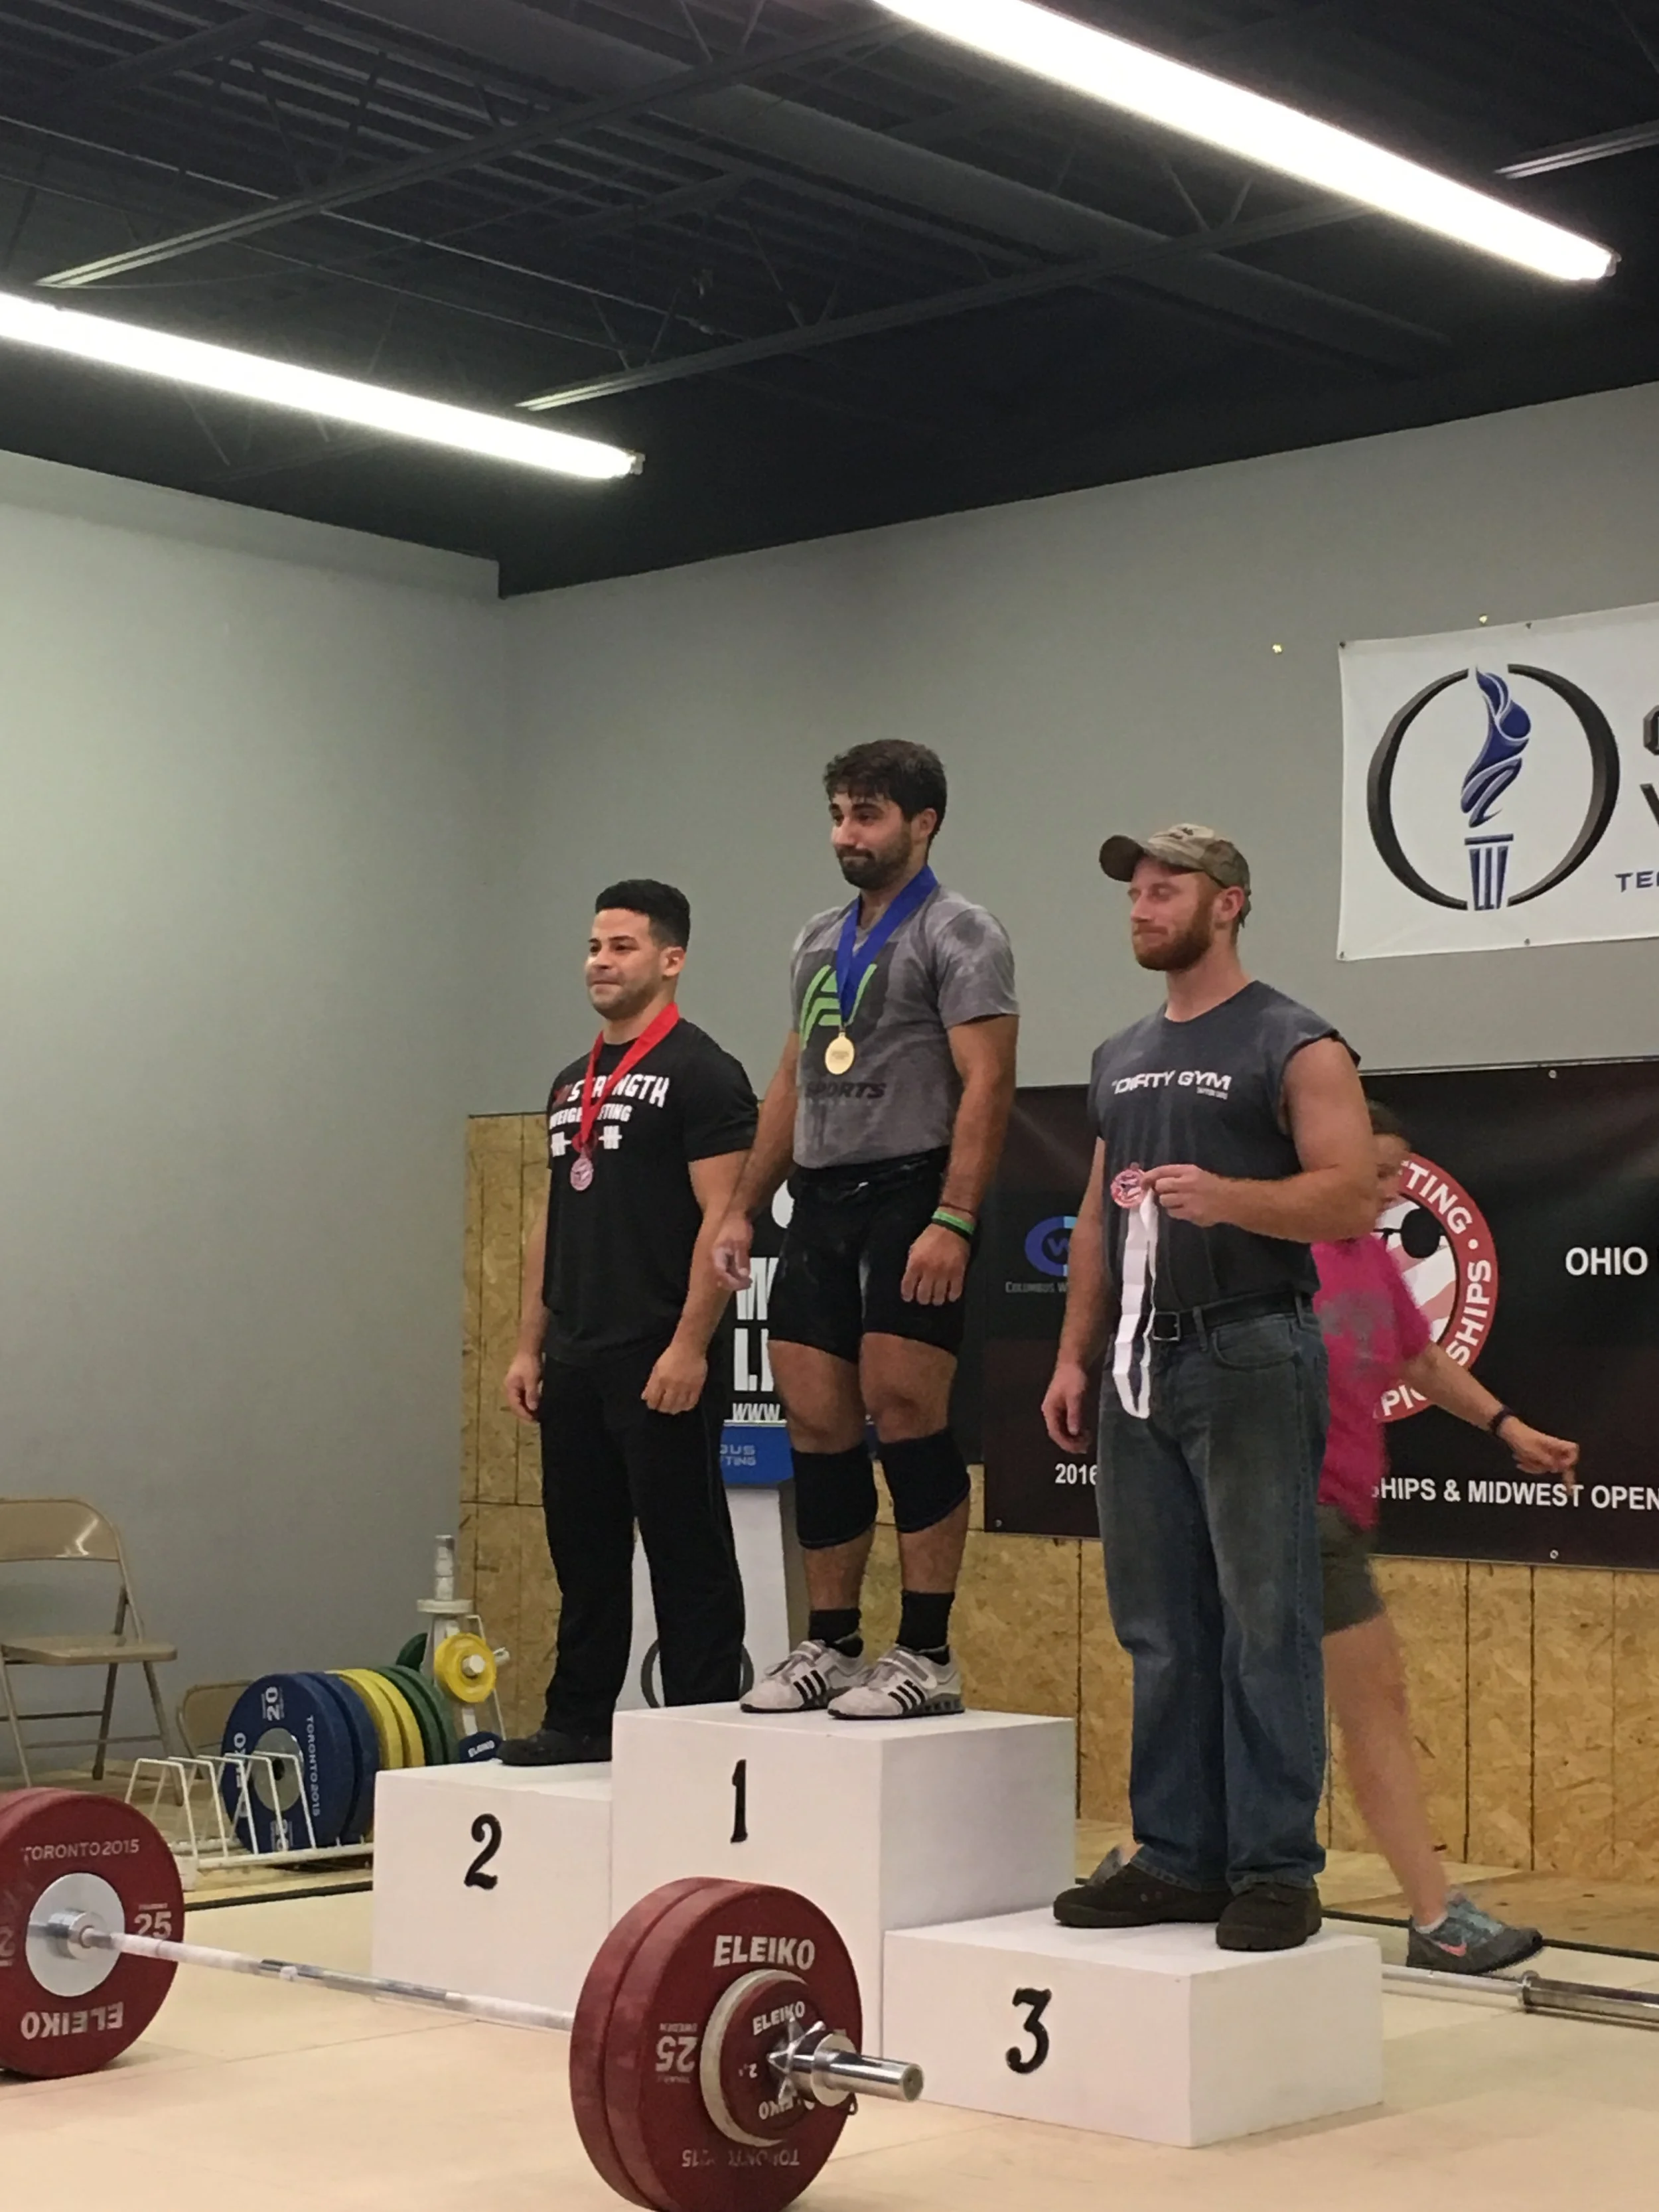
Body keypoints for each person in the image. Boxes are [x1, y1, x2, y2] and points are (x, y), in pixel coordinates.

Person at [1045, 824, 1374, 1951]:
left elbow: (1348, 1200)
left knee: (1262, 1615)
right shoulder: (1118, 1054)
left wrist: (1234, 1200)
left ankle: (1276, 1867)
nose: (1141, 907)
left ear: (1228, 903)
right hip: (1139, 1359)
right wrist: (1073, 1353)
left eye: (1164, 889)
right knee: (1159, 1624)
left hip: (1250, 1350)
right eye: (1134, 892)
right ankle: (1179, 1856)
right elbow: (1097, 1218)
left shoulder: (1297, 1039)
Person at [713, 740, 1017, 1722]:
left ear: (922, 822)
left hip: (915, 1189)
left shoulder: (962, 931)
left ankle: (926, 1652)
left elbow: (990, 1084)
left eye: (869, 815)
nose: (848, 834)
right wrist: (740, 1207)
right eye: (840, 814)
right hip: (824, 1196)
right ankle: (831, 1643)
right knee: (814, 1418)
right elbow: (795, 1077)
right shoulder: (814, 939)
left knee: (904, 1407)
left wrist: (954, 1216)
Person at [1315, 1098, 1576, 1972]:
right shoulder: (1281, 1248)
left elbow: (1419, 1358)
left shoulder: (1368, 1260)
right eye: (1378, 1173)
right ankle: (1434, 1915)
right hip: (1294, 1507)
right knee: (1373, 1705)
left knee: (1355, 1708)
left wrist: (1508, 1427)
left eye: (1398, 1175)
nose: (1392, 1192)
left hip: (1346, 1503)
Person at [500, 881, 757, 1765]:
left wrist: (692, 1344)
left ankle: (702, 1728)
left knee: (687, 1553)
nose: (600, 963)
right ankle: (578, 1721)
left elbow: (727, 1220)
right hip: (576, 1353)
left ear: (670, 960)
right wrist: (530, 1343)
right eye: (594, 947)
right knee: (584, 1555)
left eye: (622, 947)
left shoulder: (704, 1072)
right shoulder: (571, 1083)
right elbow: (551, 1220)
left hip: (660, 1353)